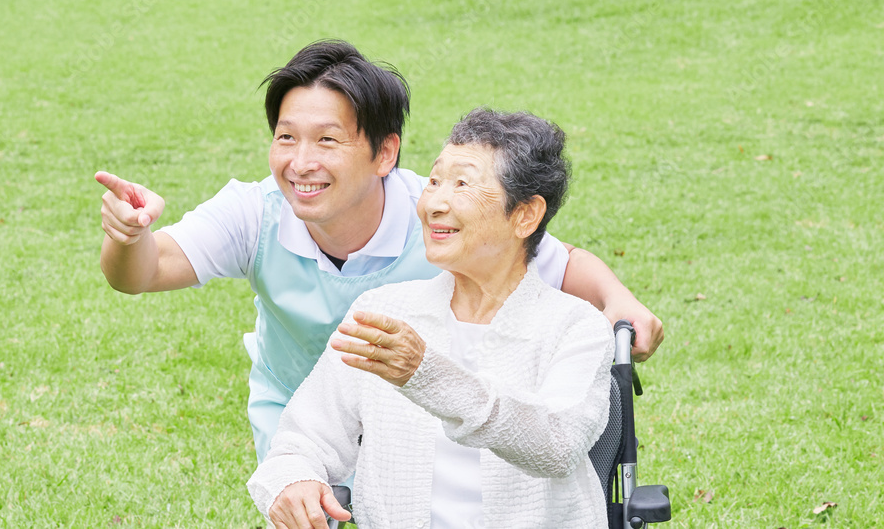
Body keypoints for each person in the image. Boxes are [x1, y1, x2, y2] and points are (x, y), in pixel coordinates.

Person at [95, 39, 662, 463]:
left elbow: (560, 262)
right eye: (286, 137)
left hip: (416, 418)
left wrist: (619, 300)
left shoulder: (441, 216)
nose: (301, 162)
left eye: (328, 140)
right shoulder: (255, 212)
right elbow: (144, 272)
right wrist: (129, 237)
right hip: (303, 420)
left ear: (384, 152)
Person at [249, 108, 614, 528]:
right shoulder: (386, 313)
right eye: (435, 181)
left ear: (525, 215)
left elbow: (557, 445)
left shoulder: (575, 326)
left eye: (462, 185)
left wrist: (425, 373)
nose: (434, 203)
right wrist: (293, 480)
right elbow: (303, 438)